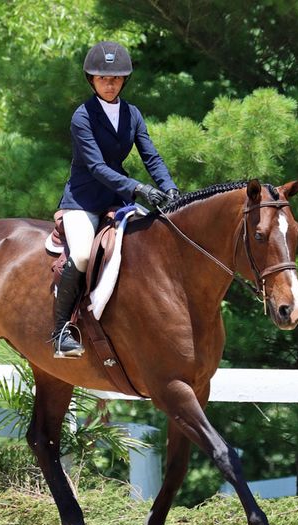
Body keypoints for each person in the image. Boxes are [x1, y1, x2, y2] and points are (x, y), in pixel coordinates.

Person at [52, 40, 180, 358]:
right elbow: (95, 167)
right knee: (82, 255)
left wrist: (171, 189)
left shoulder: (132, 114)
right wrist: (139, 189)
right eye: (103, 78)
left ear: (124, 80)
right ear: (92, 80)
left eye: (116, 78)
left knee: (145, 248)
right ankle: (60, 332)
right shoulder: (82, 116)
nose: (110, 84)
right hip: (82, 201)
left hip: (117, 201)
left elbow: (151, 157)